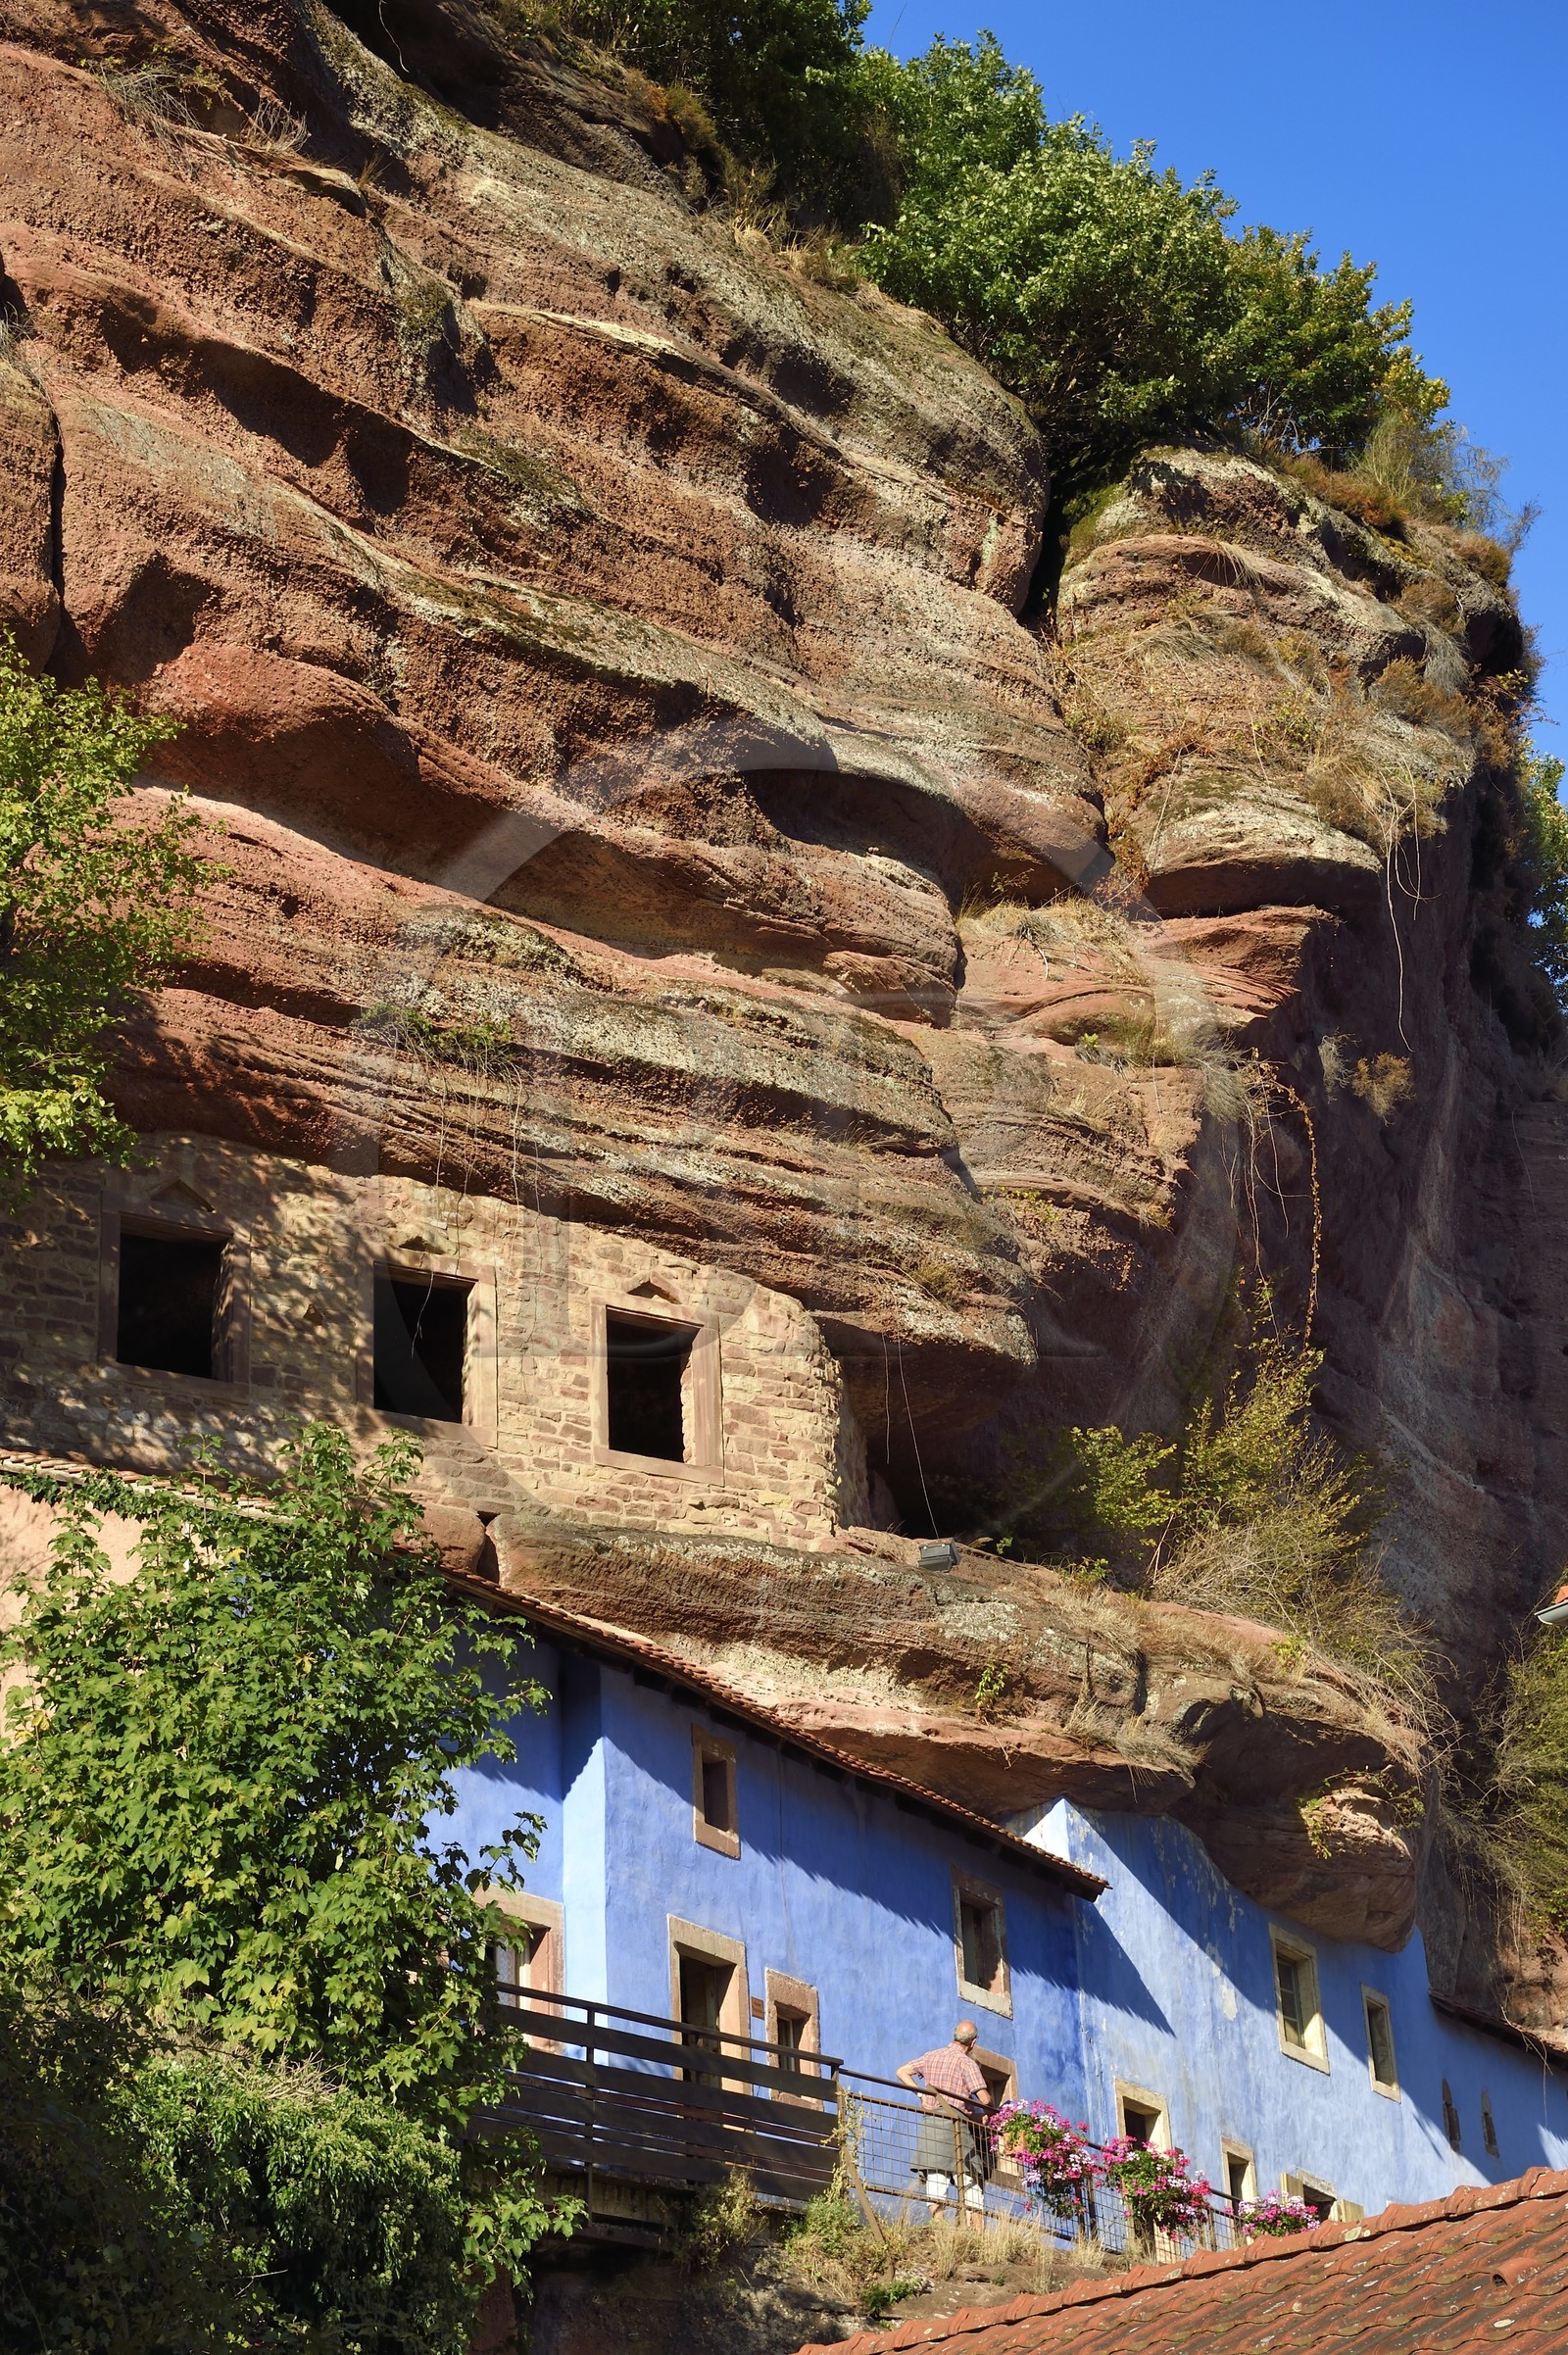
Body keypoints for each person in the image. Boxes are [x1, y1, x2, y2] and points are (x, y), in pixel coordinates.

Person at [897, 2021, 993, 2216]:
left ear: (954, 2036)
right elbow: (985, 2099)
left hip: (932, 2122)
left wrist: (922, 2096)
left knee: (935, 2176)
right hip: (956, 2125)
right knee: (968, 2177)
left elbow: (902, 2071)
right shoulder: (967, 2063)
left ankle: (939, 2226)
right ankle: (975, 2228)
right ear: (973, 2042)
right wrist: (984, 2114)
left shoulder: (931, 2056)